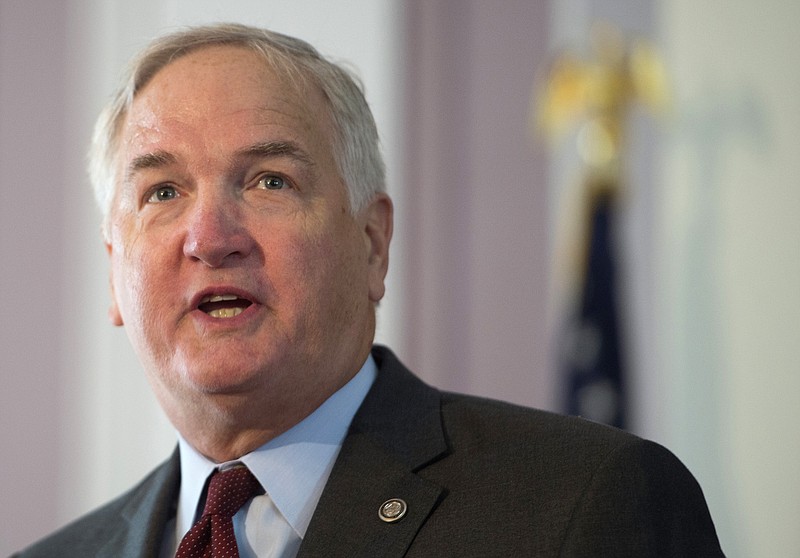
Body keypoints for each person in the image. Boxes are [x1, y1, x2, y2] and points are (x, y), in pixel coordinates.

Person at [15, 23, 724, 557]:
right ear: (115, 273)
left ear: (372, 244)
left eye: (269, 181)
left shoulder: (585, 505)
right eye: (162, 191)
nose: (210, 235)